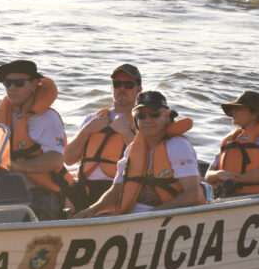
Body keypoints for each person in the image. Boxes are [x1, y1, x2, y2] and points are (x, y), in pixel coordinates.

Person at [72, 91, 204, 218]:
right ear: (136, 120)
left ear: (167, 117)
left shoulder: (178, 145)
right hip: (132, 219)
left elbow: (193, 194)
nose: (147, 120)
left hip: (164, 219)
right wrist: (92, 210)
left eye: (154, 114)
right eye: (141, 115)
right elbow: (116, 191)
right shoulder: (131, 150)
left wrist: (152, 214)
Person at [0, 60, 73, 221]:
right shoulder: (4, 114)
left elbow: (56, 160)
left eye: (19, 83)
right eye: (8, 83)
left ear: (34, 85)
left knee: (39, 214)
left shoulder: (47, 119)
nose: (12, 88)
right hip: (7, 187)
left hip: (43, 192)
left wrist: (17, 166)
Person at [64, 64, 142, 212]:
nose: (122, 89)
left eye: (129, 85)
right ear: (112, 88)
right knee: (67, 198)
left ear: (139, 90)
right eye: (117, 84)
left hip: (117, 188)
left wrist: (126, 133)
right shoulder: (92, 119)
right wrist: (87, 130)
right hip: (85, 185)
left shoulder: (143, 122)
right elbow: (68, 159)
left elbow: (145, 162)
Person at [204, 91, 259, 196]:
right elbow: (208, 176)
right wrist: (219, 174)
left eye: (238, 108)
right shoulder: (230, 140)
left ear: (255, 113)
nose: (233, 111)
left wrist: (235, 179)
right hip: (227, 197)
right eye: (233, 109)